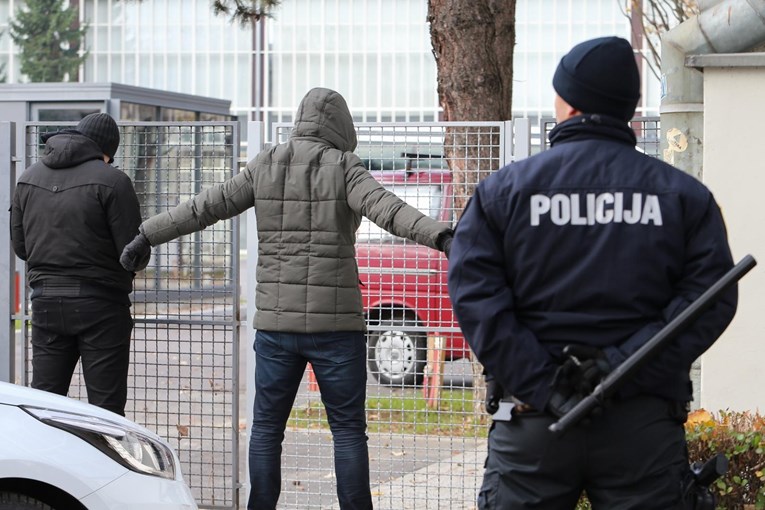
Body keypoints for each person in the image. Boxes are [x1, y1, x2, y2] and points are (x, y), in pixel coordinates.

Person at [119, 87, 453, 510]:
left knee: (266, 431)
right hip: (336, 330)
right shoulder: (345, 167)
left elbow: (207, 206)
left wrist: (147, 233)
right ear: (340, 126)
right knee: (348, 431)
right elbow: (389, 209)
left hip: (277, 328)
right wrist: (442, 237)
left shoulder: (266, 164)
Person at [447, 36, 738, 510]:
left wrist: (544, 385)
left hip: (532, 425)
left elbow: (477, 300)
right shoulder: (681, 196)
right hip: (641, 425)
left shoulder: (504, 194)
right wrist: (623, 366)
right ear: (628, 108)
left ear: (568, 102)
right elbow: (711, 298)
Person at [11, 112, 144, 417]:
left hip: (46, 303)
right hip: (102, 307)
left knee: (44, 406)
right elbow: (133, 251)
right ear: (108, 151)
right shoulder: (113, 181)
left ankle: (44, 463)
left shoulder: (29, 177)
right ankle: (103, 464)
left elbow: (21, 247)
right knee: (106, 411)